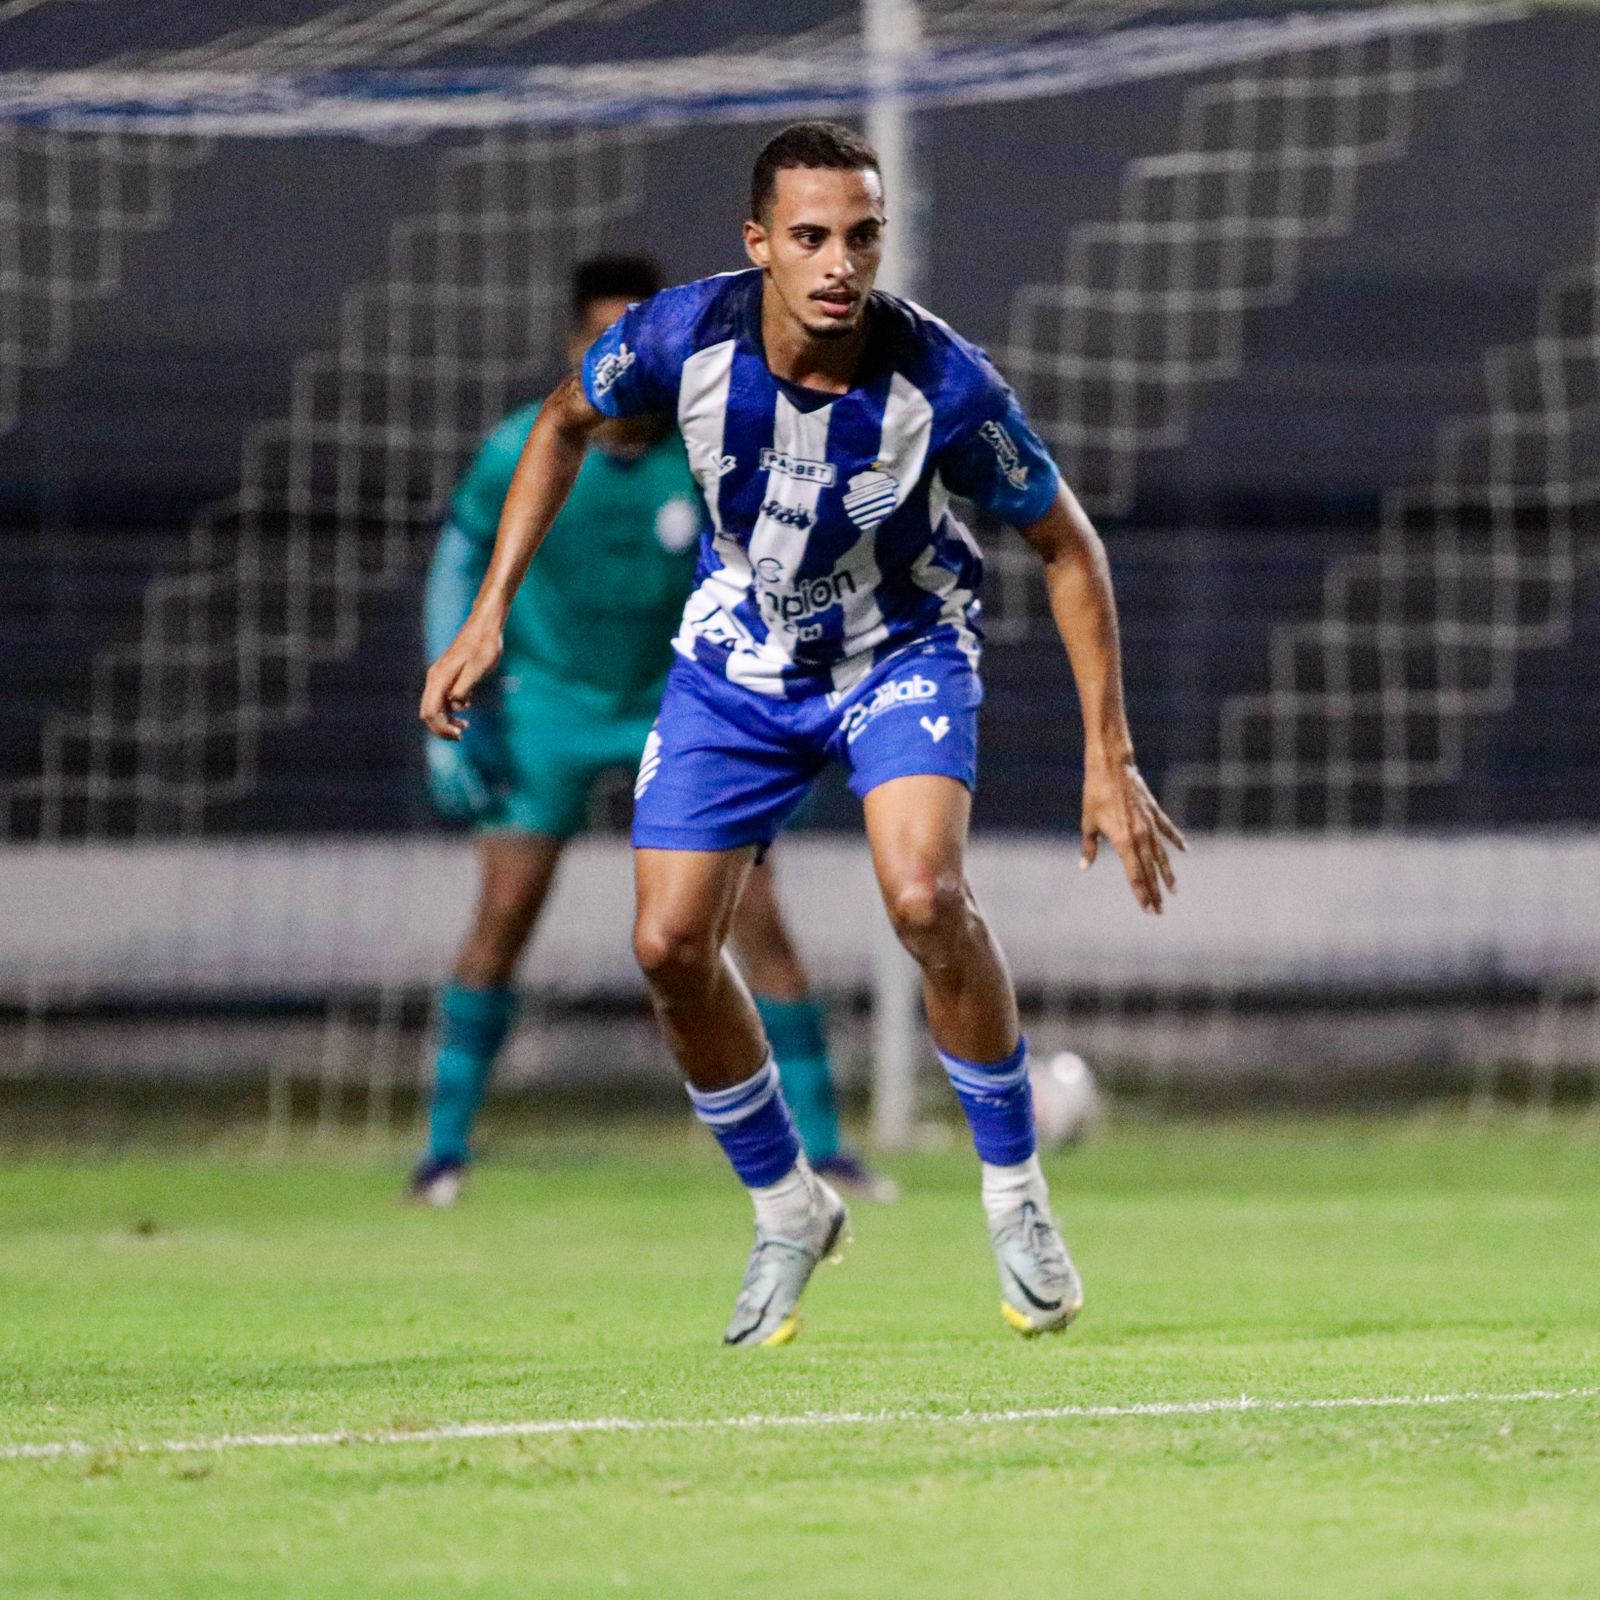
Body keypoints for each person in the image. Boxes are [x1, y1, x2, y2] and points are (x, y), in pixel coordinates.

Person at [421, 124, 1183, 1344]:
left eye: (861, 236)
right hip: (739, 663)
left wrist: (1111, 751)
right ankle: (787, 1204)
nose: (839, 263)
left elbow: (1066, 544)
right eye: (812, 236)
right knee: (669, 946)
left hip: (902, 653)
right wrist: (488, 611)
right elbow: (561, 423)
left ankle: (1015, 1193)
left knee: (926, 896)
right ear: (760, 243)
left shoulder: (943, 383)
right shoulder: (682, 334)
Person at [410, 253, 894, 1208]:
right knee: (502, 920)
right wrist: (450, 700)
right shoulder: (526, 445)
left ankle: (827, 1150)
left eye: (634, 330)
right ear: (574, 342)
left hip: (686, 705)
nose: (618, 351)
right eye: (599, 333)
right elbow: (463, 547)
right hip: (549, 708)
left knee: (756, 924)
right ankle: (441, 1155)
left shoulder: (707, 446)